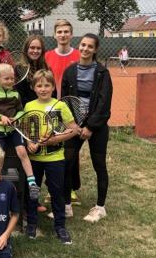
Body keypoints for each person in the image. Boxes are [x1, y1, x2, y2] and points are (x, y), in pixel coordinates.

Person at [22, 70, 79, 244]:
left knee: (57, 192)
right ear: (34, 88)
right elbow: (25, 131)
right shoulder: (29, 106)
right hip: (34, 160)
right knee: (33, 192)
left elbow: (73, 129)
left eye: (47, 85)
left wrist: (55, 139)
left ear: (53, 87)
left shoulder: (60, 106)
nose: (43, 89)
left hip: (55, 159)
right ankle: (31, 223)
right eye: (39, 85)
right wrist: (28, 143)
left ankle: (60, 226)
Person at [61, 33, 113, 223]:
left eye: (90, 46)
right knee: (67, 163)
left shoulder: (102, 73)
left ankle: (100, 207)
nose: (85, 49)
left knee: (99, 165)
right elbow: (64, 101)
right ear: (79, 45)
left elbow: (104, 102)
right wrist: (73, 125)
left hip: (96, 127)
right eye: (83, 45)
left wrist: (90, 126)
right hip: (74, 126)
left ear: (95, 49)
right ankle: (66, 206)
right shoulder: (70, 71)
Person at [0, 63, 39, 200]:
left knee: (22, 151)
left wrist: (16, 118)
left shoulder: (16, 94)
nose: (10, 81)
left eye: (12, 78)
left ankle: (32, 182)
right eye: (6, 79)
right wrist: (0, 117)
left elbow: (21, 111)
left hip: (14, 129)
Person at [14, 34, 52, 213]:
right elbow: (16, 98)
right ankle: (23, 202)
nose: (35, 51)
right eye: (32, 48)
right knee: (26, 160)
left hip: (42, 118)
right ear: (26, 49)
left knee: (37, 160)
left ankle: (33, 201)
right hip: (24, 119)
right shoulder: (19, 69)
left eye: (38, 48)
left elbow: (52, 93)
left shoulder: (46, 68)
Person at [43, 19, 80, 98]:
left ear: (71, 35)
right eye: (59, 32)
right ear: (54, 35)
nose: (63, 35)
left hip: (73, 100)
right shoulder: (46, 56)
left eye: (66, 32)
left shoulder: (80, 56)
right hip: (52, 100)